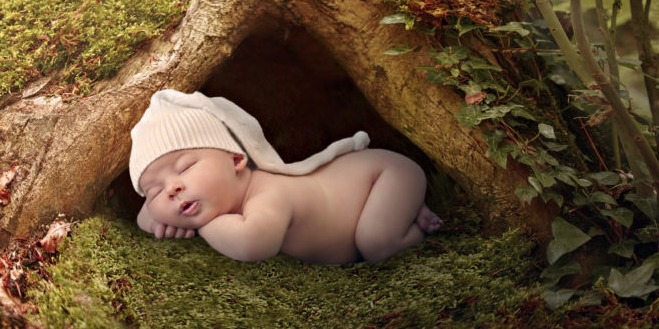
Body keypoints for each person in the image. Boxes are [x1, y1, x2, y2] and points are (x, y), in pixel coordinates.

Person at [129, 90, 442, 264]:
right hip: (352, 184)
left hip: (381, 176)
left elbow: (253, 244)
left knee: (377, 243)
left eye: (184, 168)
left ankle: (412, 220)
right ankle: (404, 208)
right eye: (154, 190)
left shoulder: (269, 195)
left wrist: (199, 223)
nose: (172, 188)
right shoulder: (217, 200)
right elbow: (146, 214)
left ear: (236, 159)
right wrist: (159, 214)